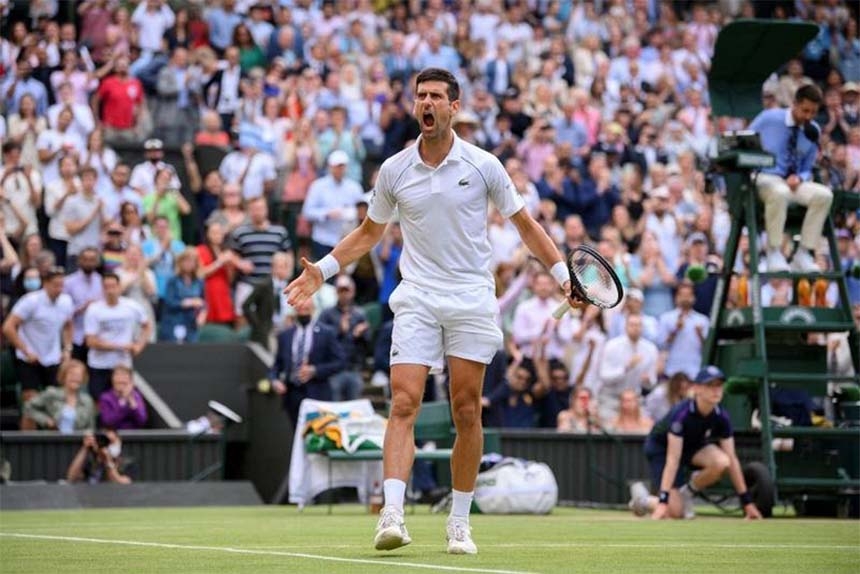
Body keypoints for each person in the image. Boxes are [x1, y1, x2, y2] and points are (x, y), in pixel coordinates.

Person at [284, 68, 582, 555]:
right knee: (403, 402)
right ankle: (393, 513)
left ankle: (459, 523)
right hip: (418, 295)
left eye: (436, 96)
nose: (426, 103)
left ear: (453, 107)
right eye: (420, 96)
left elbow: (526, 226)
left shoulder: (485, 165)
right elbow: (368, 233)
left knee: (467, 410)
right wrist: (322, 269)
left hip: (470, 297)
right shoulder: (394, 170)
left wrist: (563, 277)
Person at [629, 365, 763, 521]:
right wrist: (663, 502)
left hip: (691, 446)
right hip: (662, 450)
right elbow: (672, 460)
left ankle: (685, 494)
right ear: (697, 389)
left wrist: (747, 503)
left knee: (723, 462)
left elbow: (732, 459)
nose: (716, 390)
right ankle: (643, 501)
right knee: (675, 513)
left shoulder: (722, 416)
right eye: (710, 385)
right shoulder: (681, 415)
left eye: (719, 385)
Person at [750, 84, 833, 272]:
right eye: (805, 110)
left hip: (794, 184)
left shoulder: (813, 130)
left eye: (813, 112)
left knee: (824, 195)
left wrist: (800, 178)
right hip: (767, 177)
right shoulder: (769, 118)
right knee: (779, 192)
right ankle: (774, 252)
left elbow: (807, 165)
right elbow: (743, 141)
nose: (808, 116)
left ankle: (803, 254)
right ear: (794, 104)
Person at [268, 296, 346, 425]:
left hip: (318, 393)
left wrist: (315, 370)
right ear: (294, 310)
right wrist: (275, 380)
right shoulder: (285, 335)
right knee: (296, 435)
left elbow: (340, 361)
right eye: (300, 308)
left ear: (313, 309)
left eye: (307, 308)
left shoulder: (326, 333)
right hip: (292, 394)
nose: (303, 311)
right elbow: (277, 365)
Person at [2, 266, 74, 403]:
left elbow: (68, 325)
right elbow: (8, 327)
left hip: (53, 358)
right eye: (55, 285)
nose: (59, 289)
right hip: (29, 359)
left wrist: (67, 349)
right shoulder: (30, 301)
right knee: (31, 403)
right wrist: (26, 350)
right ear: (45, 283)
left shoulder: (66, 301)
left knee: (55, 401)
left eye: (61, 285)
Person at [84, 272, 153, 399]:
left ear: (119, 287)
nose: (110, 291)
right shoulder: (94, 309)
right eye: (106, 287)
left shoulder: (131, 306)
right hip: (99, 364)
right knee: (98, 400)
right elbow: (90, 341)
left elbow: (147, 326)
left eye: (113, 286)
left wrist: (139, 345)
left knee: (123, 398)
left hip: (122, 364)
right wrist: (120, 346)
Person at [317, 274, 372, 401]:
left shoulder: (360, 314)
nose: (344, 294)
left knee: (354, 411)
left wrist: (360, 335)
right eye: (341, 290)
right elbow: (319, 341)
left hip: (354, 369)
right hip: (333, 371)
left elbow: (369, 345)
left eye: (346, 290)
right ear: (336, 292)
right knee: (333, 409)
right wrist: (339, 331)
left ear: (353, 291)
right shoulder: (327, 314)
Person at [21, 359, 96, 432]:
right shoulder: (51, 394)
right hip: (54, 440)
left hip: (78, 441)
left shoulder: (87, 400)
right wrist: (46, 420)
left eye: (79, 375)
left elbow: (90, 428)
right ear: (64, 375)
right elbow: (28, 407)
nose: (76, 378)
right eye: (72, 374)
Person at [159, 248, 205, 342]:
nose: (189, 264)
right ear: (181, 262)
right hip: (174, 322)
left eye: (192, 261)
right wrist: (187, 303)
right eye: (186, 260)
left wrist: (203, 313)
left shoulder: (199, 282)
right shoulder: (173, 280)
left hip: (192, 324)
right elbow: (169, 302)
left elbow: (203, 301)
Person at [66, 429, 131, 484]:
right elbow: (71, 478)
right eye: (104, 442)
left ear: (119, 441)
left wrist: (107, 460)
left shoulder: (125, 462)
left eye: (111, 442)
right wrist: (85, 448)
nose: (107, 446)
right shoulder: (90, 461)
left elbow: (122, 484)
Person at [98, 365, 148, 430]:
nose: (121, 379)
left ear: (130, 381)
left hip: (134, 436)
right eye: (117, 375)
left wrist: (132, 402)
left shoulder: (136, 396)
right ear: (112, 379)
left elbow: (142, 420)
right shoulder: (105, 398)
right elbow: (109, 422)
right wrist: (123, 401)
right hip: (115, 436)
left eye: (124, 376)